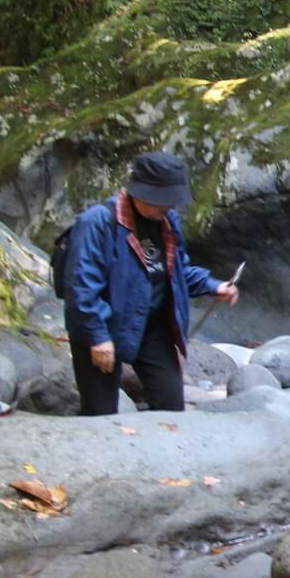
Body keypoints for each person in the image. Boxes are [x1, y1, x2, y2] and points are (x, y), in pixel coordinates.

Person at [65, 151, 238, 417]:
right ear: (140, 193)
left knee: (171, 405)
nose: (168, 208)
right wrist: (97, 337)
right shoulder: (97, 223)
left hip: (151, 328)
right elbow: (81, 288)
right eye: (163, 202)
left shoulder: (167, 222)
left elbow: (177, 271)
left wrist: (213, 286)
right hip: (103, 327)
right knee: (100, 415)